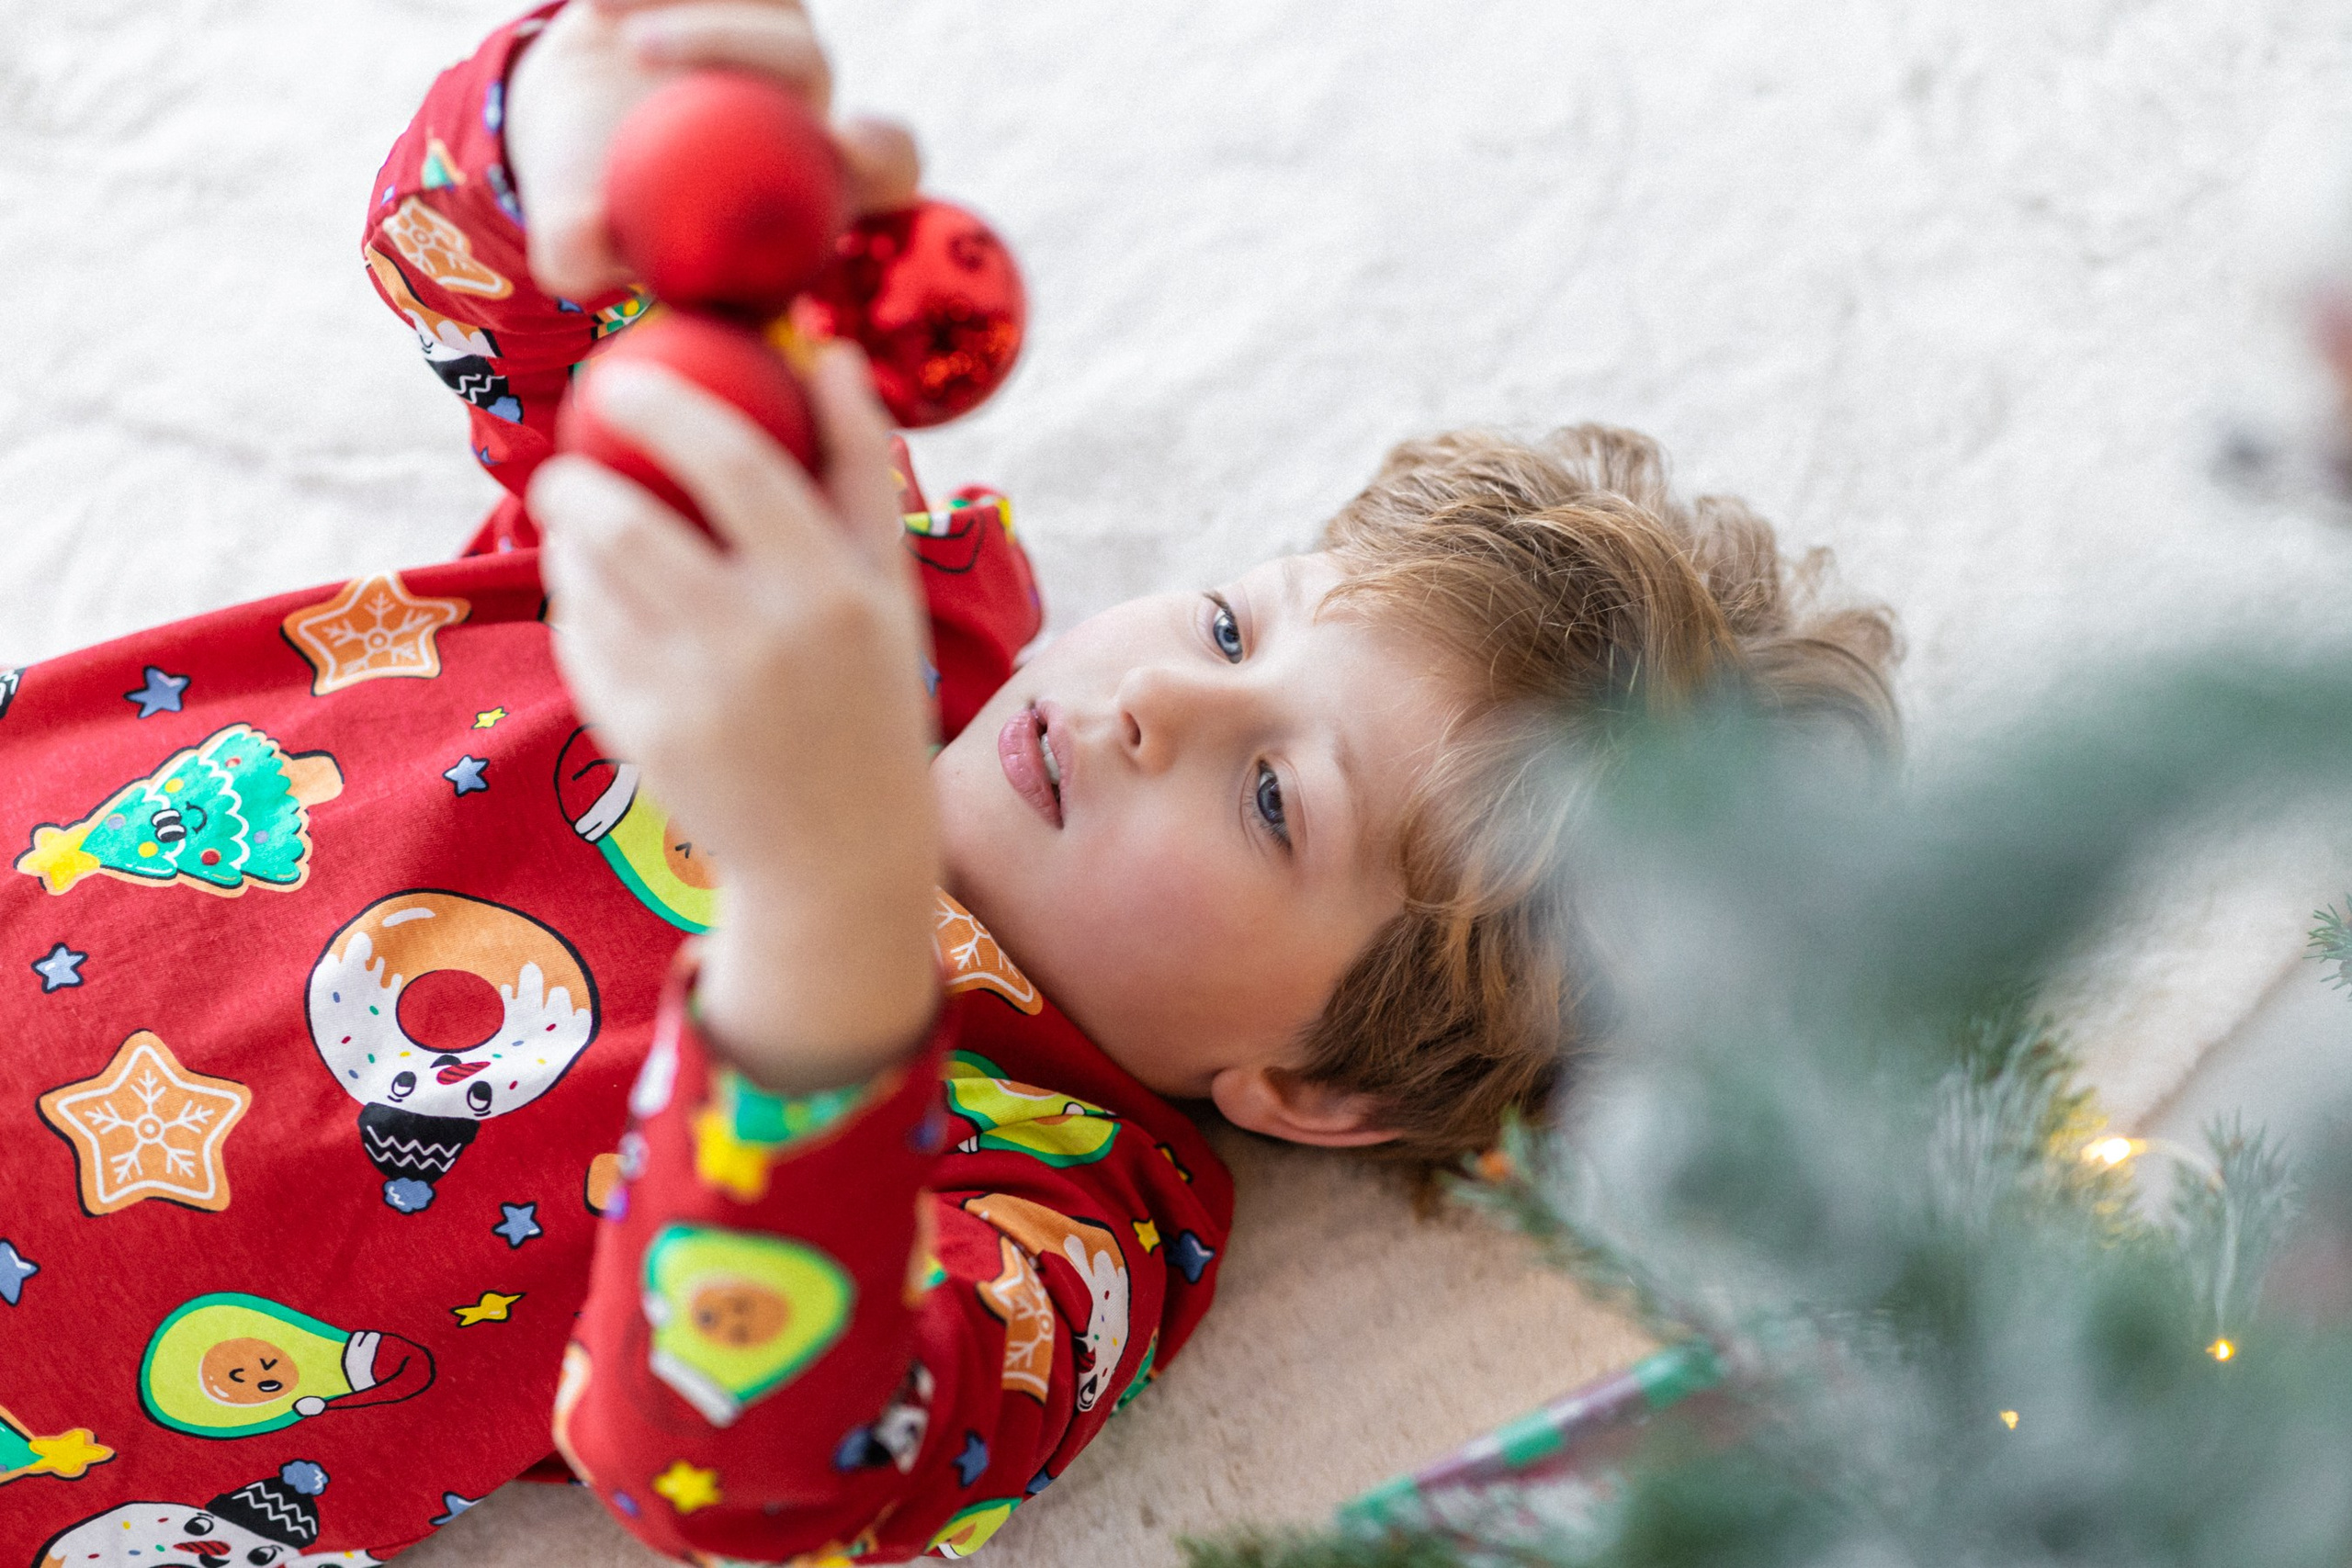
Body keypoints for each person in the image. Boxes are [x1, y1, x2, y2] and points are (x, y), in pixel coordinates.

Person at [0, 1, 1899, 1561]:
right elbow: (505, 298)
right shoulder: (881, 582)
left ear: (1306, 1083)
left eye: (1270, 802)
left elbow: (749, 1468)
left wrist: (825, 919)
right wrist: (585, 141)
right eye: (1232, 625)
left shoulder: (1071, 1213)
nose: (1153, 697)